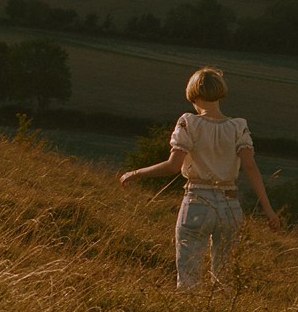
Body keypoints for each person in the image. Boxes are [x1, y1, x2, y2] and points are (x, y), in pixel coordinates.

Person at [120, 66, 281, 289]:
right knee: (224, 278)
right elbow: (251, 167)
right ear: (220, 93)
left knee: (189, 277)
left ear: (193, 94)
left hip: (197, 201)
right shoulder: (238, 126)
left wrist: (135, 173)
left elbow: (173, 166)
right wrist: (268, 209)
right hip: (230, 205)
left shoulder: (189, 122)